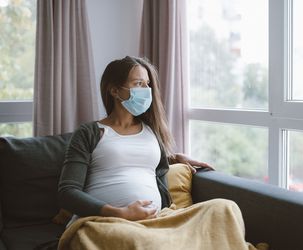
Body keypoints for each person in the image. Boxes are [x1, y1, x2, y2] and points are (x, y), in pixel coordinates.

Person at [57, 56, 266, 250]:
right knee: (136, 241)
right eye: (138, 84)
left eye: (147, 84)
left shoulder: (151, 131)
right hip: (107, 222)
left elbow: (141, 161)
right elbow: (67, 192)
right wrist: (121, 213)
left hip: (159, 220)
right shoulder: (89, 133)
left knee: (225, 208)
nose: (146, 90)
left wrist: (175, 157)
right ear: (114, 90)